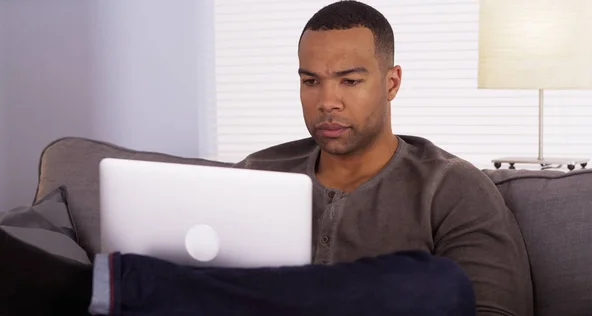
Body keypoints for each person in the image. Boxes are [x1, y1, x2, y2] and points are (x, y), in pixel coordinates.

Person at [0, 1, 532, 315]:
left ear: (391, 82)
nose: (327, 100)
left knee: (439, 287)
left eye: (350, 80)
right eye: (310, 81)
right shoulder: (259, 171)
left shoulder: (450, 186)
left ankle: (103, 286)